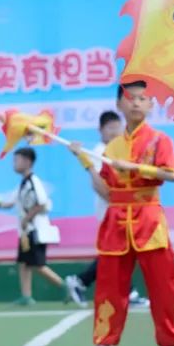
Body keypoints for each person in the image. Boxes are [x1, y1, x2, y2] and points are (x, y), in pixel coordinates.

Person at [69, 81, 174, 346]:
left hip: (149, 220)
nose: (136, 103)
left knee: (164, 285)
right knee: (109, 286)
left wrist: (136, 168)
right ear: (119, 105)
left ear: (151, 105)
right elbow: (106, 191)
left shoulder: (159, 140)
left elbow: (172, 174)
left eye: (143, 98)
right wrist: (86, 162)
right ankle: (104, 344)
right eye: (130, 98)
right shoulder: (111, 147)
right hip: (116, 220)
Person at [64, 111, 148, 308]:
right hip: (112, 211)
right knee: (120, 252)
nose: (114, 131)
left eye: (117, 126)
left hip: (125, 209)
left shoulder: (121, 150)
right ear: (100, 130)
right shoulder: (99, 151)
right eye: (109, 128)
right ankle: (127, 293)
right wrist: (114, 203)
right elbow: (98, 184)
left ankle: (80, 281)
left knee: (119, 253)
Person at [0, 148, 65, 305]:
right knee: (24, 263)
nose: (14, 164)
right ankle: (26, 296)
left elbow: (41, 203)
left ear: (27, 162)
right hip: (26, 233)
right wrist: (1, 204)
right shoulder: (23, 183)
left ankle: (66, 287)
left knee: (38, 265)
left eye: (17, 160)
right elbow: (14, 202)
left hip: (35, 230)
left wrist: (27, 218)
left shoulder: (34, 181)